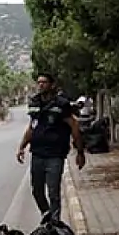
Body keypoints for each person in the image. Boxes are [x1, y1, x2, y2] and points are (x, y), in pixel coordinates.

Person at [16, 73, 85, 222]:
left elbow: (74, 125)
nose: (41, 85)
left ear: (52, 85)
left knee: (53, 192)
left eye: (44, 82)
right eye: (39, 82)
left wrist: (80, 152)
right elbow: (32, 127)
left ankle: (55, 225)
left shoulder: (61, 104)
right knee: (37, 191)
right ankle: (47, 215)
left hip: (55, 155)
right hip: (37, 154)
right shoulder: (34, 103)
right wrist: (22, 146)